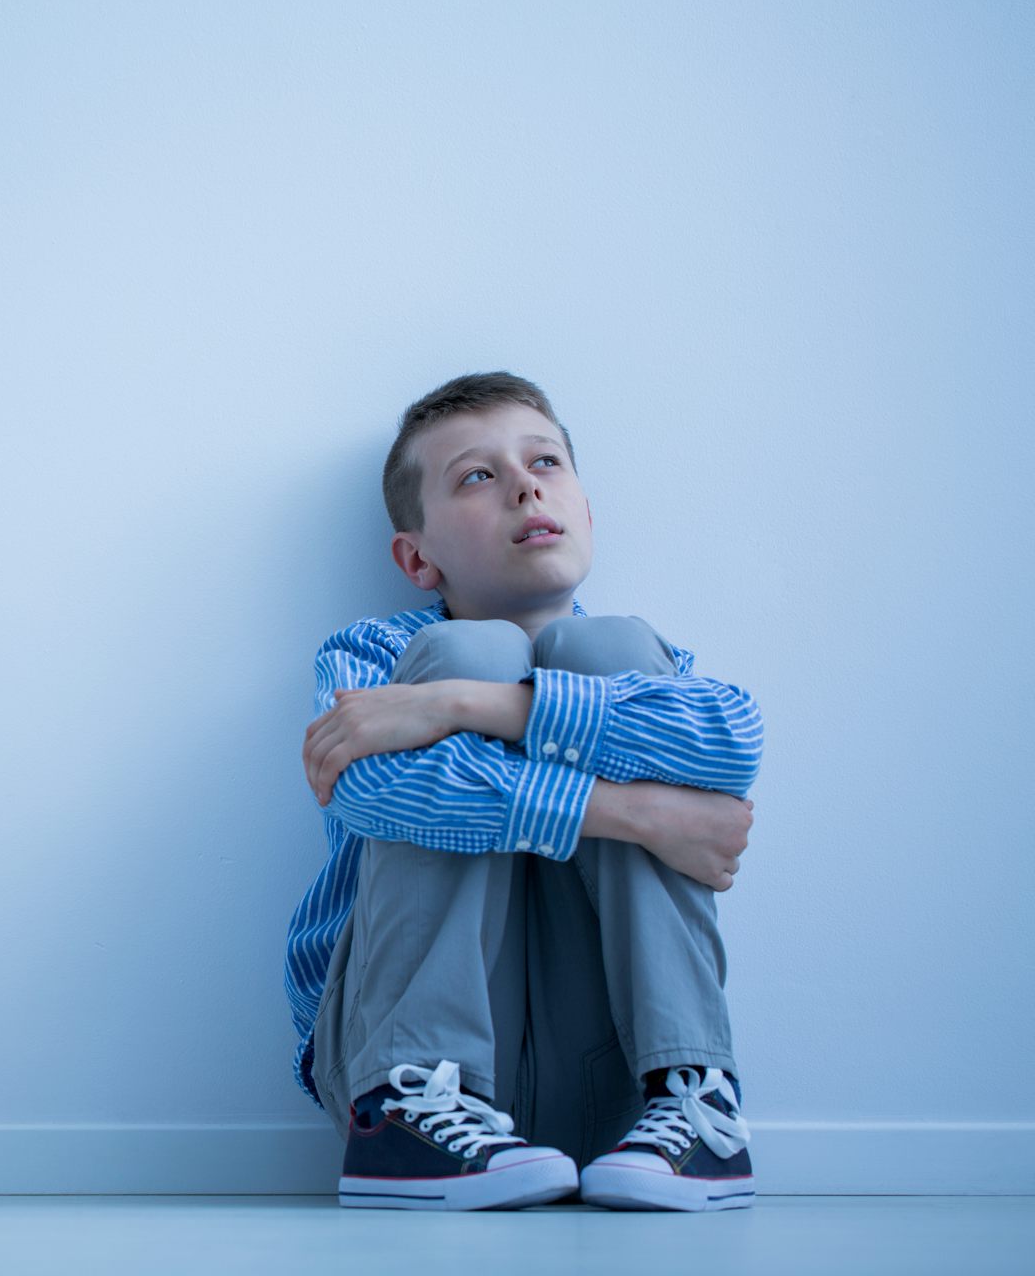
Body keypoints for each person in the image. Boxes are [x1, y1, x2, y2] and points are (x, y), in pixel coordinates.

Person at [283, 371, 762, 1211]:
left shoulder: (650, 664)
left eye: (546, 462)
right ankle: (407, 1121)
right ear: (416, 556)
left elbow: (731, 743)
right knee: (466, 649)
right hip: (402, 1069)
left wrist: (469, 706)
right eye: (477, 475)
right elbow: (376, 790)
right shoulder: (375, 657)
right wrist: (638, 814)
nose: (525, 485)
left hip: (614, 1086)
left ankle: (693, 1099)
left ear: (583, 507)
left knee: (607, 651)